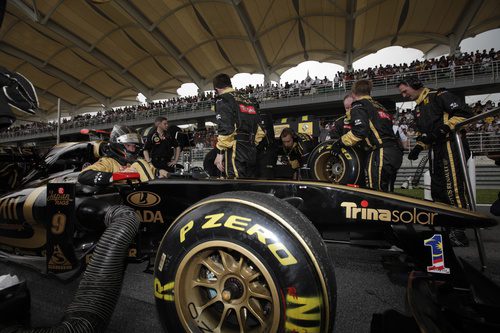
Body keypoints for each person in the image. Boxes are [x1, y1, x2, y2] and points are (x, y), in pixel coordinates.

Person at [398, 77, 472, 246]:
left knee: (452, 186)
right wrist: (418, 147)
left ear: (415, 85)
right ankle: (446, 225)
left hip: (450, 146)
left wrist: (444, 128)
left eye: (405, 91)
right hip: (435, 149)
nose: (403, 95)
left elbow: (465, 113)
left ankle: (459, 229)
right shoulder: (418, 108)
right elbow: (427, 135)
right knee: (437, 189)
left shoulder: (439, 95)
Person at [337, 80, 402, 192]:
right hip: (395, 151)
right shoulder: (380, 106)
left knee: (376, 192)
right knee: (389, 192)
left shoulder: (359, 104)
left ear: (353, 93)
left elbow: (360, 131)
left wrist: (341, 141)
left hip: (381, 152)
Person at [78, 125, 168, 186]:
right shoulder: (108, 162)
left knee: (140, 162)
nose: (133, 149)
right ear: (118, 145)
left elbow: (150, 169)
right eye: (128, 145)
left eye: (134, 145)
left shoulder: (134, 162)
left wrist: (159, 172)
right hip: (118, 202)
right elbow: (83, 175)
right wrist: (117, 176)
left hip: (137, 195)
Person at [212, 73, 261, 178]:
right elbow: (260, 130)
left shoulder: (223, 99)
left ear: (216, 89)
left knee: (235, 183)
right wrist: (251, 143)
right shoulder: (249, 100)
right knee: (249, 185)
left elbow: (226, 129)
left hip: (236, 148)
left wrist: (219, 154)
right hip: (251, 148)